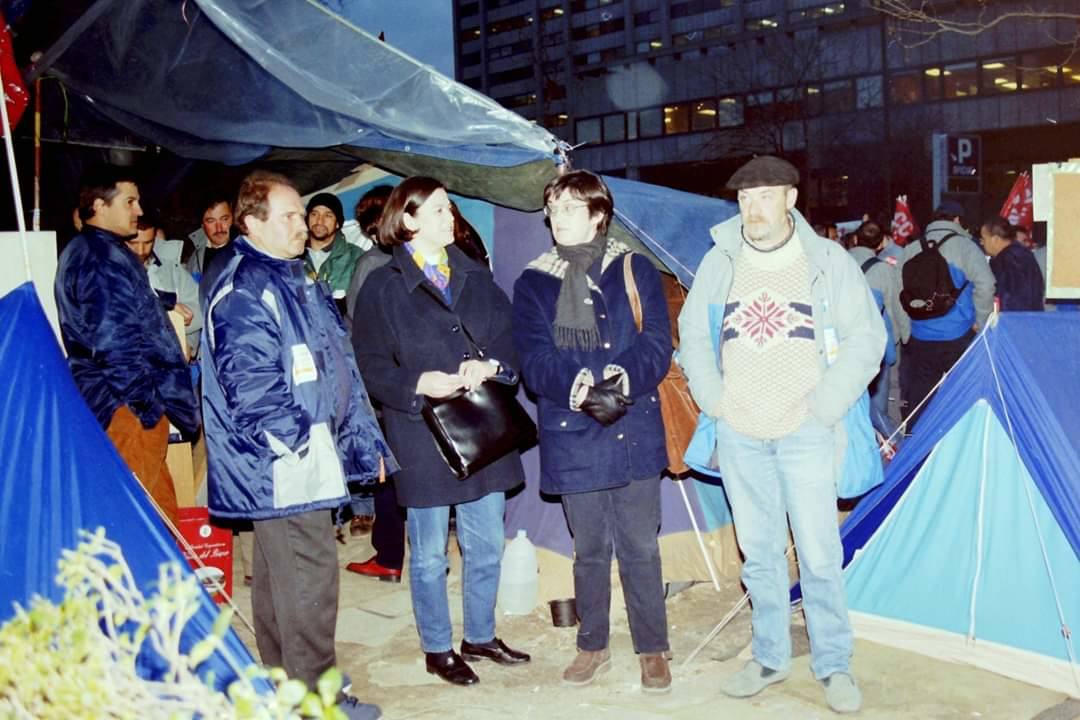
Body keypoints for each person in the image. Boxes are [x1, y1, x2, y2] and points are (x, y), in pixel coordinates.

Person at [678, 155, 885, 714]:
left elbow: (868, 339)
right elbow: (693, 333)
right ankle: (769, 656)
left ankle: (834, 663)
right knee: (760, 555)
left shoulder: (827, 262)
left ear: (791, 199)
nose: (753, 208)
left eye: (765, 196)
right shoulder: (721, 261)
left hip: (806, 431)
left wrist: (825, 404)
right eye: (745, 198)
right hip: (742, 432)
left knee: (819, 554)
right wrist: (714, 398)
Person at [200, 170, 394, 720]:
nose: (302, 225)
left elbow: (337, 363)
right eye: (287, 216)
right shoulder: (246, 285)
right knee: (309, 582)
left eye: (300, 213)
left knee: (282, 581)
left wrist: (355, 436)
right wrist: (301, 445)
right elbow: (252, 386)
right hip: (285, 462)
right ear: (252, 223)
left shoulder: (291, 275)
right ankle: (317, 700)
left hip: (305, 452)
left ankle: (288, 686)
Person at [353, 176, 529, 687]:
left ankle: (480, 634)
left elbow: (511, 341)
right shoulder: (384, 286)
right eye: (436, 210)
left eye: (449, 208)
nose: (449, 217)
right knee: (428, 554)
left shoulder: (476, 275)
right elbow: (367, 363)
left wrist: (492, 366)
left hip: (482, 431)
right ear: (407, 221)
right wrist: (416, 382)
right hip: (421, 434)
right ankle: (437, 648)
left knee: (486, 544)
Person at [512, 170, 673, 693]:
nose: (557, 219)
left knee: (641, 547)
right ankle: (593, 646)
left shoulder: (633, 267)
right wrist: (579, 387)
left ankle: (652, 648)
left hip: (631, 424)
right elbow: (534, 359)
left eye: (569, 209)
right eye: (552, 210)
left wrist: (621, 378)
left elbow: (657, 344)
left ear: (598, 215)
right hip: (571, 426)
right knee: (590, 550)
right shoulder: (533, 280)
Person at [55, 166, 199, 527]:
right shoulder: (101, 259)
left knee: (157, 509)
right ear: (99, 206)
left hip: (123, 403)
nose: (138, 210)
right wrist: (146, 406)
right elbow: (113, 342)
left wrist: (162, 302)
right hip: (127, 407)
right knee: (130, 518)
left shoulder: (95, 252)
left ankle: (174, 579)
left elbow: (124, 310)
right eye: (130, 201)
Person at [899, 200, 994, 429]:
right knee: (962, 392)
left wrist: (906, 332)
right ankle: (957, 442)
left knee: (921, 396)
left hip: (921, 335)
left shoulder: (911, 248)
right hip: (958, 335)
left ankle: (916, 447)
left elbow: (899, 293)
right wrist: (980, 322)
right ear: (957, 220)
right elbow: (987, 284)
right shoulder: (966, 247)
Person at [848, 220, 909, 440]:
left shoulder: (838, 262)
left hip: (845, 343)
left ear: (855, 239)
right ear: (881, 243)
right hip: (879, 344)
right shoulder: (884, 269)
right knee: (881, 400)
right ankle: (890, 445)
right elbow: (895, 307)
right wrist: (902, 336)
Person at [126, 212, 202, 357]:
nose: (141, 251)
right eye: (134, 244)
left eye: (147, 243)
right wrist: (167, 316)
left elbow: (200, 309)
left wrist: (189, 344)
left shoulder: (171, 269)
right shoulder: (110, 273)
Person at [304, 192, 363, 317]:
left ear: (337, 223)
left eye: (328, 215)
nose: (319, 221)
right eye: (314, 214)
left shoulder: (356, 257)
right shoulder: (291, 258)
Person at [980, 216, 1044, 312]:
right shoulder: (1021, 253)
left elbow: (1013, 297)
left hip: (1014, 321)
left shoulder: (1008, 259)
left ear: (995, 239)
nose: (982, 243)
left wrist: (1004, 321)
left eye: (984, 239)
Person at [185, 192, 236, 305]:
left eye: (224, 219)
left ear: (233, 218)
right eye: (211, 221)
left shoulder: (245, 253)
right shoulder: (194, 258)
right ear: (202, 225)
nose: (219, 228)